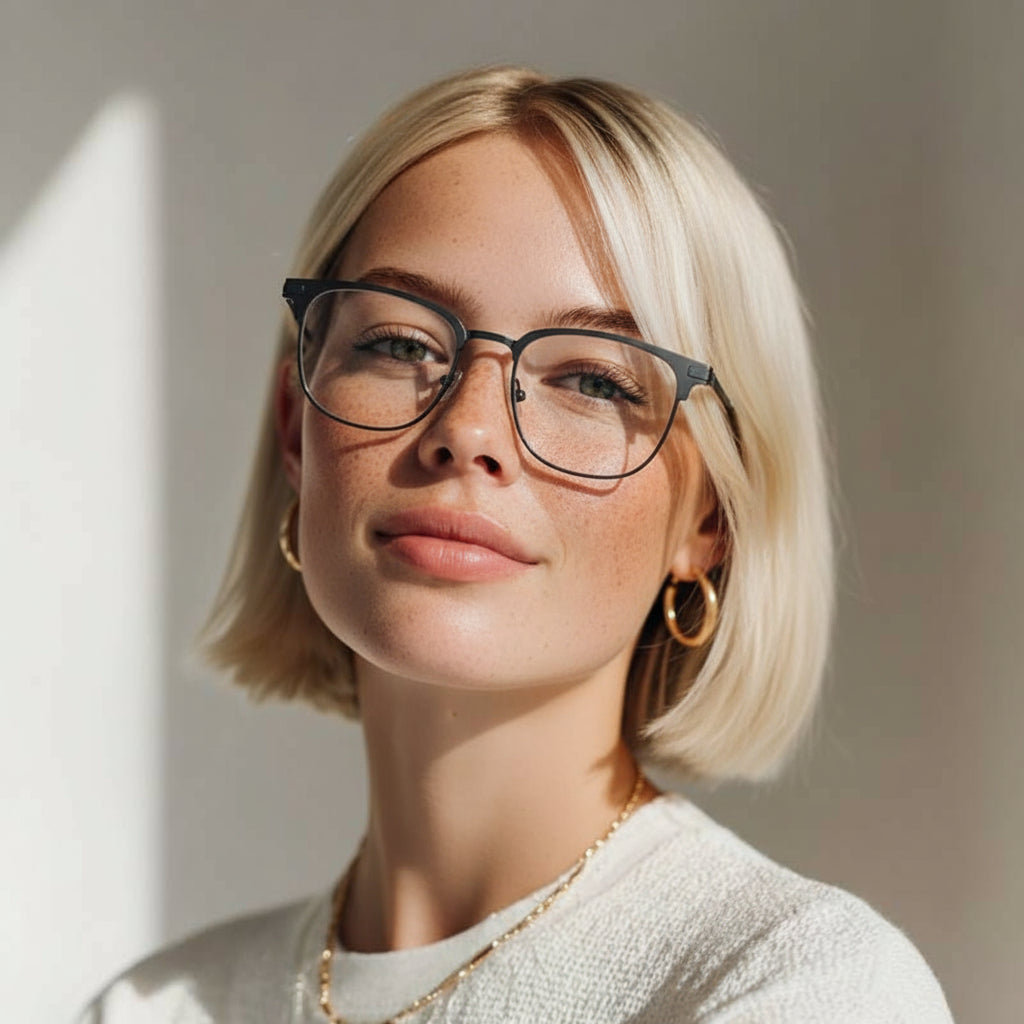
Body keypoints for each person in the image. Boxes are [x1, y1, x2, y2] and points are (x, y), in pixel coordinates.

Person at [79, 66, 953, 1023]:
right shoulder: (153, 1006)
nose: (471, 430)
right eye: (402, 345)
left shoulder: (804, 986)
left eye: (593, 380)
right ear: (296, 431)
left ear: (711, 519)